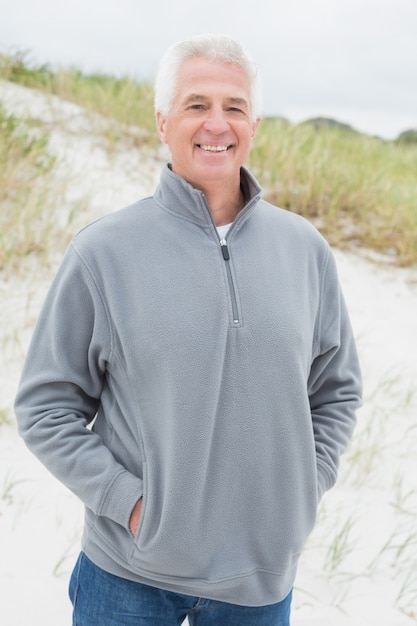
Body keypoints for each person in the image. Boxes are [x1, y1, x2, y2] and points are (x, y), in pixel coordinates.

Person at [14, 33, 362, 625]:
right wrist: (130, 505)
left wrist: (304, 486)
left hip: (260, 581)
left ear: (255, 123)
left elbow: (337, 390)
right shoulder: (103, 252)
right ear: (162, 121)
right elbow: (45, 407)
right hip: (127, 577)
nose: (216, 124)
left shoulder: (304, 249)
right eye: (196, 104)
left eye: (234, 107)